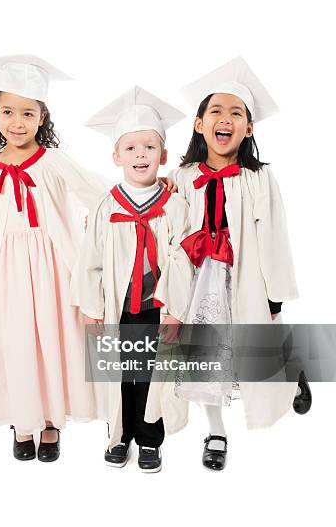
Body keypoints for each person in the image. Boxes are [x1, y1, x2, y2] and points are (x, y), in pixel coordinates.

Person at [0, 55, 107, 462]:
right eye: (8, 112)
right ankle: (23, 420)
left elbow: (97, 192)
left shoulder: (52, 162)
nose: (17, 122)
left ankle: (51, 421)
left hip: (51, 269)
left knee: (50, 340)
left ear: (42, 116)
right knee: (14, 343)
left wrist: (133, 200)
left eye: (27, 114)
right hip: (3, 272)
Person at [166, 56, 310, 470]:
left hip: (246, 279)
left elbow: (275, 239)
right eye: (216, 111)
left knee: (258, 353)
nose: (225, 119)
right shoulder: (182, 176)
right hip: (198, 282)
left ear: (248, 128)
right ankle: (215, 431)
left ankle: (291, 371)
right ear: (198, 124)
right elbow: (164, 226)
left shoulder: (259, 178)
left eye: (236, 113)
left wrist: (275, 299)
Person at [71, 86, 193, 472]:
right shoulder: (107, 205)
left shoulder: (175, 206)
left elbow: (183, 260)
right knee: (120, 374)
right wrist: (91, 308)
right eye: (131, 148)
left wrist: (175, 310)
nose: (140, 154)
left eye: (149, 147)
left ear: (164, 155)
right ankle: (119, 435)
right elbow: (90, 260)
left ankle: (150, 438)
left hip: (156, 309)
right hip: (117, 308)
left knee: (154, 376)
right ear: (116, 156)